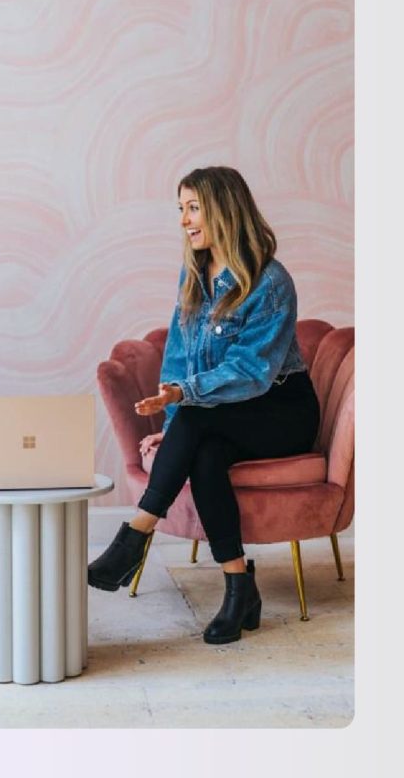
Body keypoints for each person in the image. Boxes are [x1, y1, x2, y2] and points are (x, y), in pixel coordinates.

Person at [87, 166, 320, 644]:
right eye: (181, 209)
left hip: (281, 411)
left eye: (193, 208)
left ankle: (134, 537)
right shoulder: (194, 275)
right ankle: (239, 590)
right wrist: (174, 423)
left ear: (223, 210)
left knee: (196, 418)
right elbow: (178, 358)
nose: (184, 220)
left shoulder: (270, 281)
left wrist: (183, 400)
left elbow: (250, 371)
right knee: (205, 454)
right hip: (221, 413)